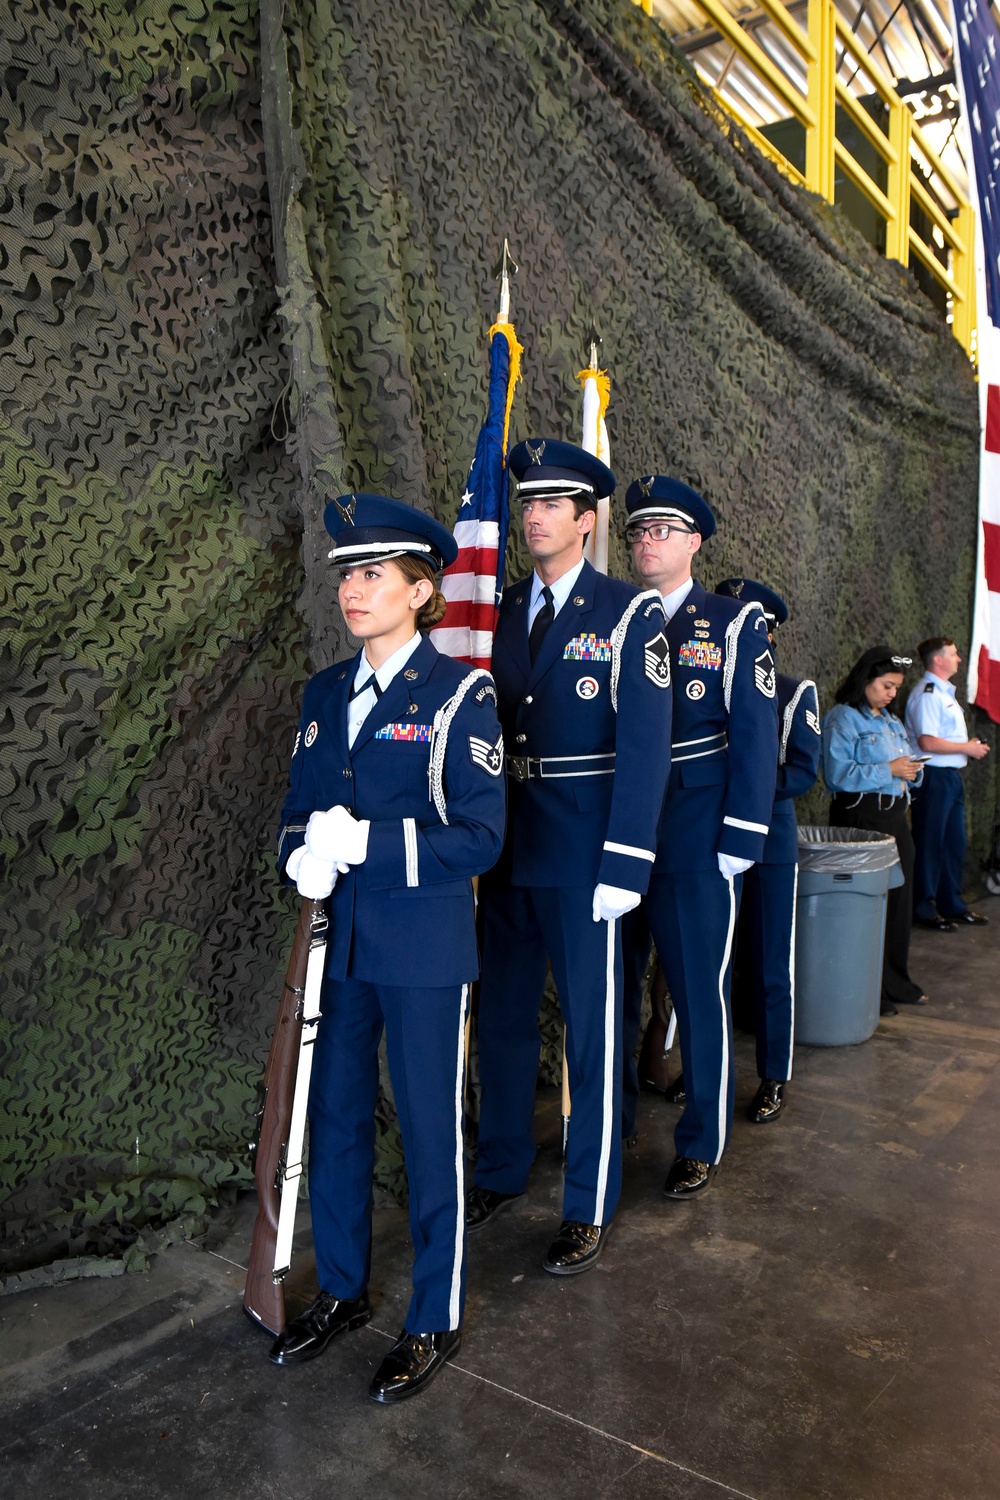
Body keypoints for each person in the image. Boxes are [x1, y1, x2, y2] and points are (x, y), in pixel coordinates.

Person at [268, 492, 507, 1404]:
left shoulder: (458, 694)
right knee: (332, 1118)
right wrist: (305, 860)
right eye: (346, 575)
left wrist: (370, 845)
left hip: (423, 946)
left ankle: (433, 1313)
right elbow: (299, 813)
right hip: (342, 943)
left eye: (372, 575)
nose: (352, 590)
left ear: (420, 591)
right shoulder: (325, 694)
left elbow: (482, 835)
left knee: (427, 1129)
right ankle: (339, 1287)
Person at [467, 439, 672, 1274]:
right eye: (527, 505)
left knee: (590, 1031)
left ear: (588, 521)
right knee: (506, 1021)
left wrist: (626, 860)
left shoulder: (629, 615)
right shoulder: (499, 608)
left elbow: (648, 748)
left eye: (552, 505)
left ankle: (587, 1201)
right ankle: (502, 1168)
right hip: (506, 842)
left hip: (588, 851)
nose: (533, 516)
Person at [620, 477, 779, 1197]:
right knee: (613, 991)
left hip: (695, 830)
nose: (647, 541)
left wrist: (741, 835)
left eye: (663, 530)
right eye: (638, 531)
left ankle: (701, 1139)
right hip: (619, 828)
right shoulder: (615, 617)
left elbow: (753, 734)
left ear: (694, 543)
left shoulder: (733, 623)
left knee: (695, 991)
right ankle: (609, 1119)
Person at [715, 578, 821, 1124]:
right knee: (717, 965)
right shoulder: (700, 684)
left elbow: (801, 769)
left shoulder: (793, 690)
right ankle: (713, 1073)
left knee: (770, 963)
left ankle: (774, 1074)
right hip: (710, 838)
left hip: (770, 841)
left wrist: (742, 787)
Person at [822, 646, 926, 1015]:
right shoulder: (844, 718)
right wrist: (890, 770)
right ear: (865, 680)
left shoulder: (891, 721)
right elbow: (837, 775)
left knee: (899, 903)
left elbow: (906, 765)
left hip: (897, 816)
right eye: (886, 685)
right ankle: (868, 991)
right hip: (862, 818)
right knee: (867, 906)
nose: (891, 693)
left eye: (896, 687)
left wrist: (911, 770)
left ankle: (896, 982)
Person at [904, 637, 990, 930]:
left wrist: (965, 748)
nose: (958, 659)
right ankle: (924, 908)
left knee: (953, 843)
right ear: (938, 660)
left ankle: (951, 903)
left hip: (949, 776)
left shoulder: (944, 693)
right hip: (933, 777)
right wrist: (966, 748)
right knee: (930, 842)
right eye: (953, 654)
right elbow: (927, 741)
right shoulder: (928, 694)